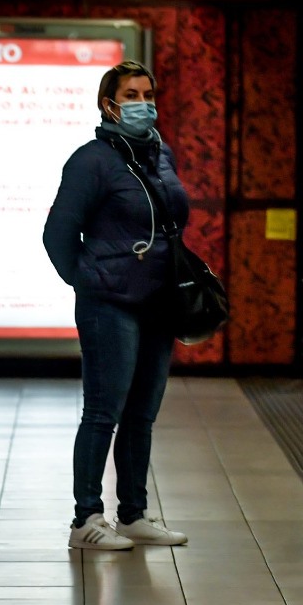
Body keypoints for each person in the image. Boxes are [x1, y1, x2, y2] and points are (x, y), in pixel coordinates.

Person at [43, 59, 190, 550]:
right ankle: (86, 519)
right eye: (131, 95)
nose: (143, 103)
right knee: (104, 411)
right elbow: (58, 233)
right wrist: (89, 282)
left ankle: (133, 514)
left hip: (157, 302)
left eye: (148, 93)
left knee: (142, 414)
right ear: (109, 104)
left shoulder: (159, 155)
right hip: (110, 303)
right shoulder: (91, 160)